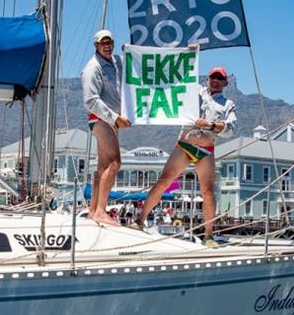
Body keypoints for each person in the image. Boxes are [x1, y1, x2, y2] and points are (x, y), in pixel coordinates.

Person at [132, 67, 236, 247]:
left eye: (220, 78)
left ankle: (209, 236)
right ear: (207, 79)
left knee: (208, 192)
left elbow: (230, 130)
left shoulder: (228, 105)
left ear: (225, 83)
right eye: (213, 77)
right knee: (163, 182)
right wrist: (188, 53)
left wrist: (210, 125)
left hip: (205, 149)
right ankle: (140, 220)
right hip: (185, 144)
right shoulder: (194, 90)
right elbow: (177, 78)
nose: (216, 80)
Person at [81, 29, 131, 225]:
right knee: (114, 163)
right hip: (101, 119)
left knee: (102, 167)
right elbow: (90, 101)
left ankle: (93, 210)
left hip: (113, 121)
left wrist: (131, 51)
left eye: (109, 41)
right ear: (96, 45)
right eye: (103, 42)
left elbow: (135, 64)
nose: (107, 45)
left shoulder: (117, 62)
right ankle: (102, 210)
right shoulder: (92, 68)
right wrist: (115, 118)